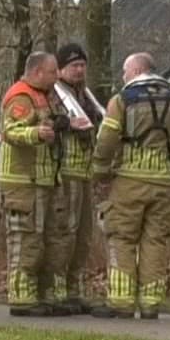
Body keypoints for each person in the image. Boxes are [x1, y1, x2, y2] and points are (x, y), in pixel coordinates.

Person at [91, 52, 170, 319]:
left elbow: (106, 140)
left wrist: (100, 172)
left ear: (137, 71)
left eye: (125, 72)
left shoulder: (122, 100)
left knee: (122, 238)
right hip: (164, 184)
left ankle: (122, 303)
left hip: (129, 181)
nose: (123, 77)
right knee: (155, 242)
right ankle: (150, 304)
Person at [0, 52, 70, 316]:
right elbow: (9, 131)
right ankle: (21, 298)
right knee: (26, 239)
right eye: (53, 72)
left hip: (47, 180)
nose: (57, 76)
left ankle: (44, 295)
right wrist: (36, 133)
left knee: (51, 240)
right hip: (23, 183)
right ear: (38, 72)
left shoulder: (48, 96)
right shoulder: (21, 96)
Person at [51, 42, 116, 317]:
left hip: (85, 174)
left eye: (82, 65)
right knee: (64, 233)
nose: (79, 70)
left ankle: (75, 290)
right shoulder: (53, 95)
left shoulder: (86, 96)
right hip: (64, 174)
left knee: (83, 236)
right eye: (73, 66)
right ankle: (57, 291)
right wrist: (66, 124)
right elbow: (45, 123)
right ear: (61, 69)